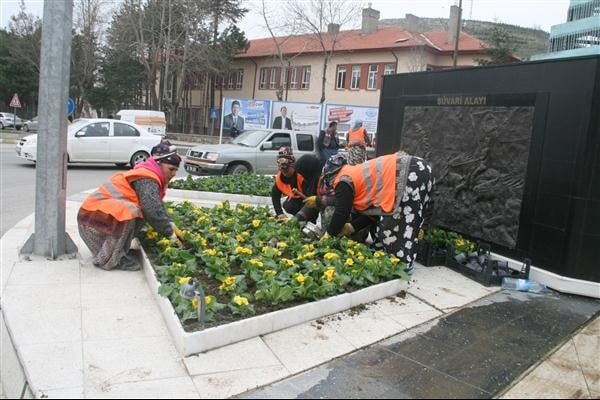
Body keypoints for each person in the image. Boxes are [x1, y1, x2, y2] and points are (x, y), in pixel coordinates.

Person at [304, 150, 434, 273]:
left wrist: (330, 234)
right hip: (419, 169)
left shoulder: (343, 180)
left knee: (399, 223)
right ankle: (385, 251)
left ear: (329, 174)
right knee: (392, 220)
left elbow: (341, 211)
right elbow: (373, 213)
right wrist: (352, 227)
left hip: (410, 172)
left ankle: (402, 265)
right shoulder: (354, 174)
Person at [77, 141, 184, 271]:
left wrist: (170, 223)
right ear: (158, 164)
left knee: (135, 212)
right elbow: (152, 210)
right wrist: (169, 233)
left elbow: (157, 205)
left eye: (176, 170)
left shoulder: (149, 174)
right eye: (171, 169)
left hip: (92, 220)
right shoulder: (147, 178)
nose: (174, 174)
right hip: (91, 223)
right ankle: (111, 259)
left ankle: (119, 251)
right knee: (130, 212)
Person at [271, 147, 320, 223]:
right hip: (297, 200)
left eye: (287, 170)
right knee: (288, 205)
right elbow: (275, 195)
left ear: (292, 166)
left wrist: (295, 220)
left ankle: (307, 222)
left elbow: (310, 201)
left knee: (309, 212)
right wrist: (280, 213)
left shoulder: (302, 175)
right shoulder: (280, 178)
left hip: (308, 200)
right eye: (282, 170)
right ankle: (300, 220)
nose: (285, 173)